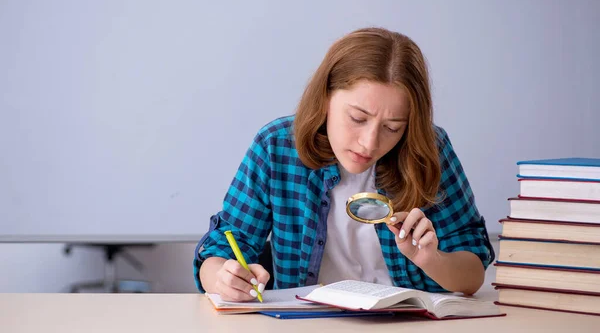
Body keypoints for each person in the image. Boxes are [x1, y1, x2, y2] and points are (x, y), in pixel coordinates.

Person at [193, 27, 495, 302]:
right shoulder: (277, 146)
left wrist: (431, 259)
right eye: (357, 118)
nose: (369, 143)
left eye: (392, 127)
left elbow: (472, 273)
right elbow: (224, 246)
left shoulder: (428, 148)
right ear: (325, 98)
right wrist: (223, 278)